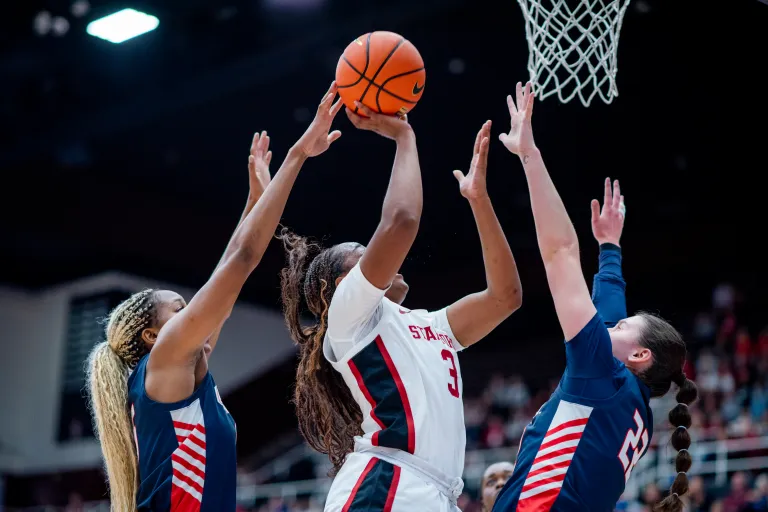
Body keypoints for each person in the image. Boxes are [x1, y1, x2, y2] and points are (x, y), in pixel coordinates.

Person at [86, 83, 345, 512]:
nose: (193, 311)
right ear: (152, 335)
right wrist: (298, 153)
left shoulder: (178, 372)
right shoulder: (165, 359)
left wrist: (254, 201)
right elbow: (241, 262)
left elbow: (228, 273)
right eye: (179, 308)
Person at [280, 104, 522, 512]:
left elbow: (506, 297)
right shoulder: (348, 316)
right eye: (365, 254)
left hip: (435, 492)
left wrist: (479, 202)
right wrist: (405, 138)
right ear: (342, 285)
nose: (384, 259)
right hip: (389, 483)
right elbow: (401, 221)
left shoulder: (431, 324)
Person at [491, 83, 698, 512]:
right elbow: (610, 308)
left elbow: (560, 253)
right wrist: (609, 249)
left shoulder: (602, 376)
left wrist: (529, 156)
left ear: (639, 355)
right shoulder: (628, 399)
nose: (611, 325)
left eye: (621, 327)